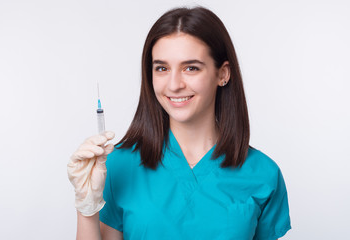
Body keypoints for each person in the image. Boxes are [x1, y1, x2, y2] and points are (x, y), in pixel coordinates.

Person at [67, 6, 291, 240]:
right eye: (162, 68)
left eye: (191, 68)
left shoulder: (264, 174)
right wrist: (86, 211)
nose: (174, 84)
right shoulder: (117, 166)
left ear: (223, 74)